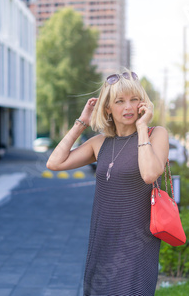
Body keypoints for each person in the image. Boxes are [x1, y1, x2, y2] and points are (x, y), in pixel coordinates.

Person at [46, 69, 169, 296]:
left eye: (134, 100)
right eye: (120, 101)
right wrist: (82, 122)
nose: (129, 107)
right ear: (108, 108)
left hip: (137, 243)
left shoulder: (155, 135)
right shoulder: (99, 143)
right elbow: (54, 163)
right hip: (104, 238)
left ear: (143, 104)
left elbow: (150, 174)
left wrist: (142, 128)